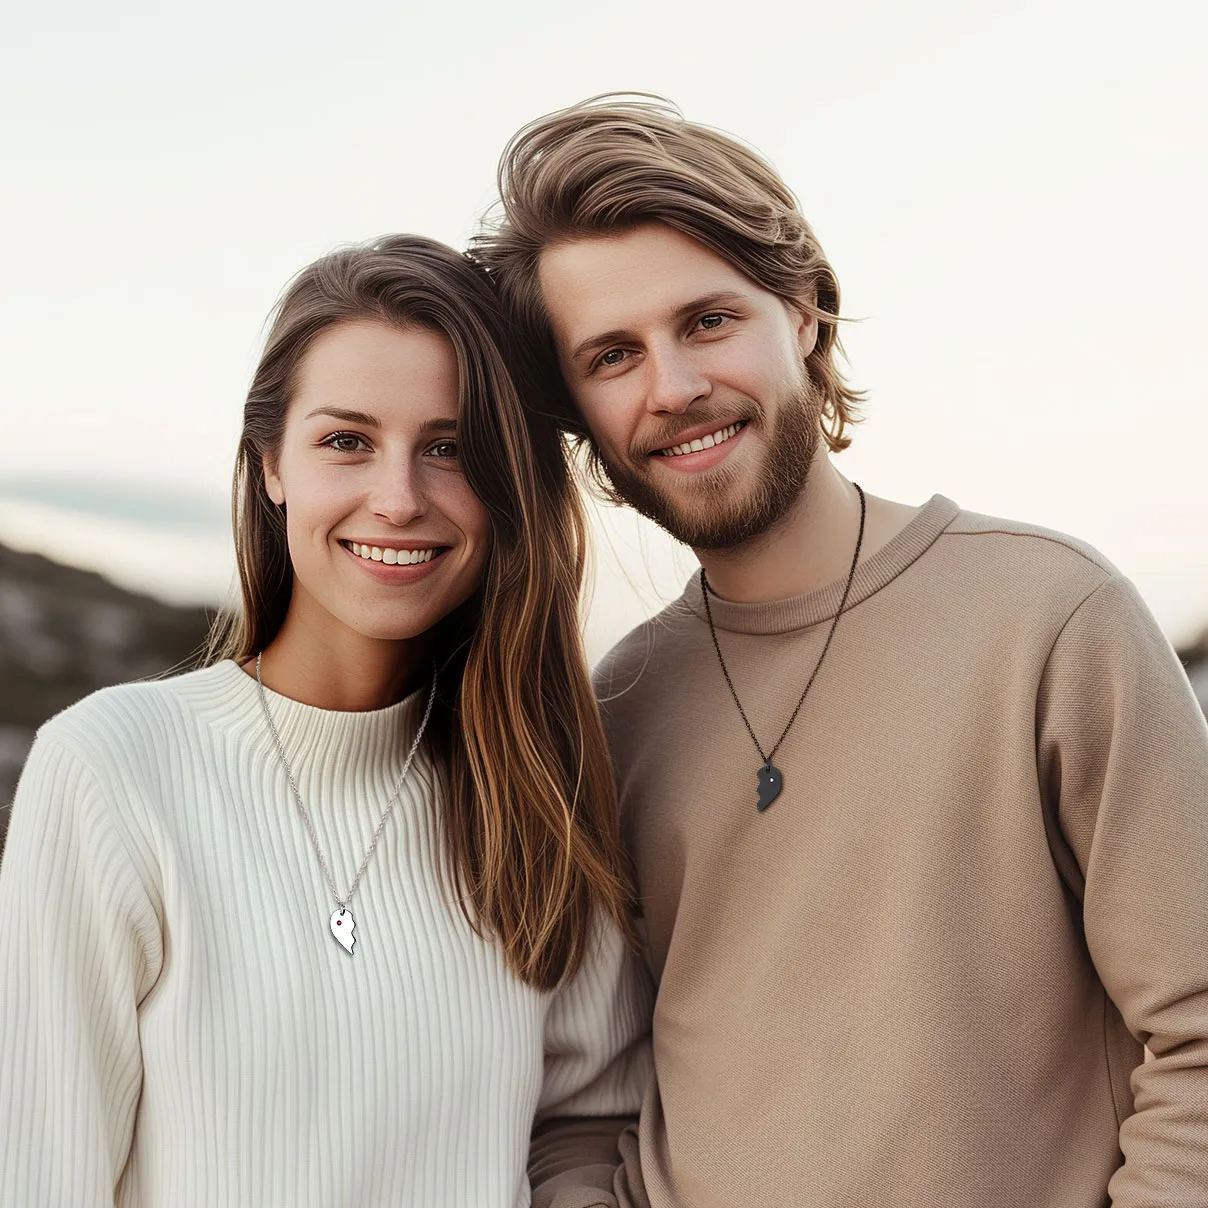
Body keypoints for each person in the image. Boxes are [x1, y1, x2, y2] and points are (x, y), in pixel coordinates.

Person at [472, 96, 1208, 1207]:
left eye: (707, 320)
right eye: (612, 355)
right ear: (575, 409)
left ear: (803, 309)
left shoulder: (1051, 616)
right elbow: (587, 1098)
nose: (670, 387)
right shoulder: (612, 707)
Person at [0, 235, 651, 1207]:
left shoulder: (540, 794)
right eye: (346, 440)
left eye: (448, 447)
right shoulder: (112, 769)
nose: (397, 497)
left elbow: (590, 1129)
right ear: (271, 463)